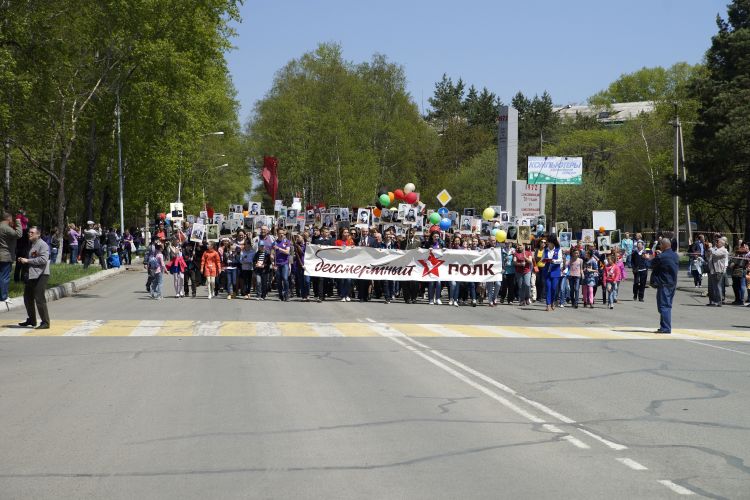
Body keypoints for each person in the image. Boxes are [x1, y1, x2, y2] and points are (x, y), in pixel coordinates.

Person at [17, 226, 51, 329]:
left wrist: (28, 261)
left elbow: (43, 260)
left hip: (41, 274)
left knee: (39, 298)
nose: (29, 234)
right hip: (32, 274)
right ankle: (32, 320)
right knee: (27, 297)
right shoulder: (32, 244)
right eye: (29, 232)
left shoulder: (42, 245)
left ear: (38, 234)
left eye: (32, 232)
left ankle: (45, 322)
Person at [645, 238, 679, 334]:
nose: (660, 246)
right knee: (667, 305)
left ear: (664, 245)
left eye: (660, 244)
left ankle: (666, 328)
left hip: (664, 284)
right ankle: (663, 326)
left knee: (663, 306)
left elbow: (650, 264)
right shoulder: (675, 255)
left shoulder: (662, 256)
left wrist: (647, 258)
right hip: (672, 283)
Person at [0, 213, 23, 308]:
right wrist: (18, 221)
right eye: (12, 220)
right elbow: (19, 234)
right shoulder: (5, 227)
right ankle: (3, 297)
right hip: (5, 255)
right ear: (9, 219)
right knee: (4, 277)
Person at [541, 235, 563, 311]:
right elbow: (542, 259)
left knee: (553, 288)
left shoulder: (558, 249)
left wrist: (554, 261)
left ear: (553, 243)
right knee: (548, 288)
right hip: (547, 271)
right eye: (548, 242)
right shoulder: (545, 250)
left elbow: (560, 260)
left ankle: (552, 301)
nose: (548, 243)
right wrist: (544, 260)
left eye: (550, 242)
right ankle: (548, 304)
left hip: (555, 271)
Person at [706, 236, 729, 307]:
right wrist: (708, 250)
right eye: (716, 242)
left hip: (718, 270)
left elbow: (715, 254)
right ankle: (712, 301)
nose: (716, 243)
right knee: (711, 287)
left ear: (722, 243)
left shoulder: (723, 250)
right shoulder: (715, 249)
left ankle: (718, 301)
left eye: (717, 242)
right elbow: (708, 256)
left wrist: (710, 248)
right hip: (712, 270)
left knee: (717, 286)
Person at [272, 228, 291, 301]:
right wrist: (273, 263)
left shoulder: (287, 242)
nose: (281, 234)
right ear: (277, 234)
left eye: (283, 233)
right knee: (279, 280)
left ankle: (286, 294)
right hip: (277, 264)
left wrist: (279, 249)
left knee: (285, 279)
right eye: (280, 233)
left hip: (285, 263)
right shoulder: (274, 243)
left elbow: (287, 252)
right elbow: (272, 254)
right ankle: (280, 295)